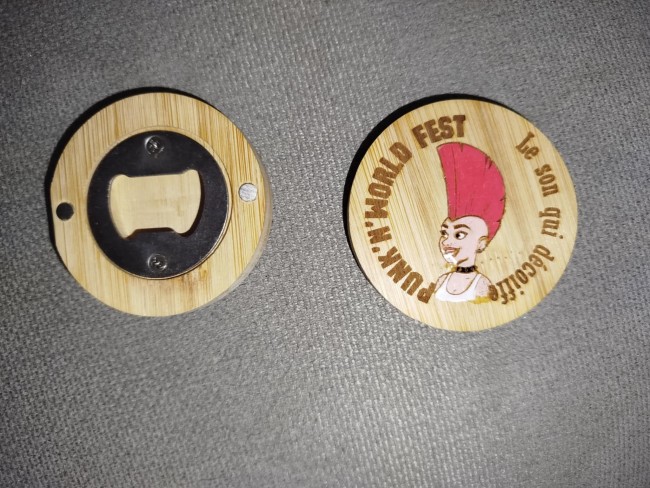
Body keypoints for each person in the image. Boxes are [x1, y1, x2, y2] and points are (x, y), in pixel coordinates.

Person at [433, 143, 506, 303]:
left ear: (481, 244)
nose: (446, 241)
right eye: (444, 233)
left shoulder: (482, 286)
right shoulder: (441, 282)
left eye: (459, 234)